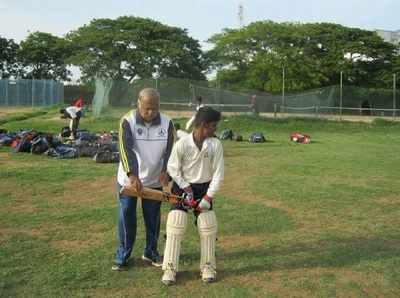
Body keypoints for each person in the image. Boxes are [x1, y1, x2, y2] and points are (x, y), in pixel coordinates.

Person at [112, 88, 174, 271]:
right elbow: (125, 149)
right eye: (147, 108)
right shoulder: (127, 120)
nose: (151, 113)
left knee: (153, 219)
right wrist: (132, 174)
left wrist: (166, 172)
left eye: (155, 109)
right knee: (126, 216)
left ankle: (151, 252)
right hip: (129, 180)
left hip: (155, 180)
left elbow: (171, 151)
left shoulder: (168, 122)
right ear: (139, 103)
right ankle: (123, 253)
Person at [162, 106, 224, 285]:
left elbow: (219, 173)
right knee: (176, 223)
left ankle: (208, 267)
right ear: (203, 125)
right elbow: (173, 168)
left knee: (207, 225)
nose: (215, 129)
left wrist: (208, 197)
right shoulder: (182, 144)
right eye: (213, 126)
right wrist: (186, 188)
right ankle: (170, 268)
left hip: (204, 188)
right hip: (182, 187)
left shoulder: (215, 144)